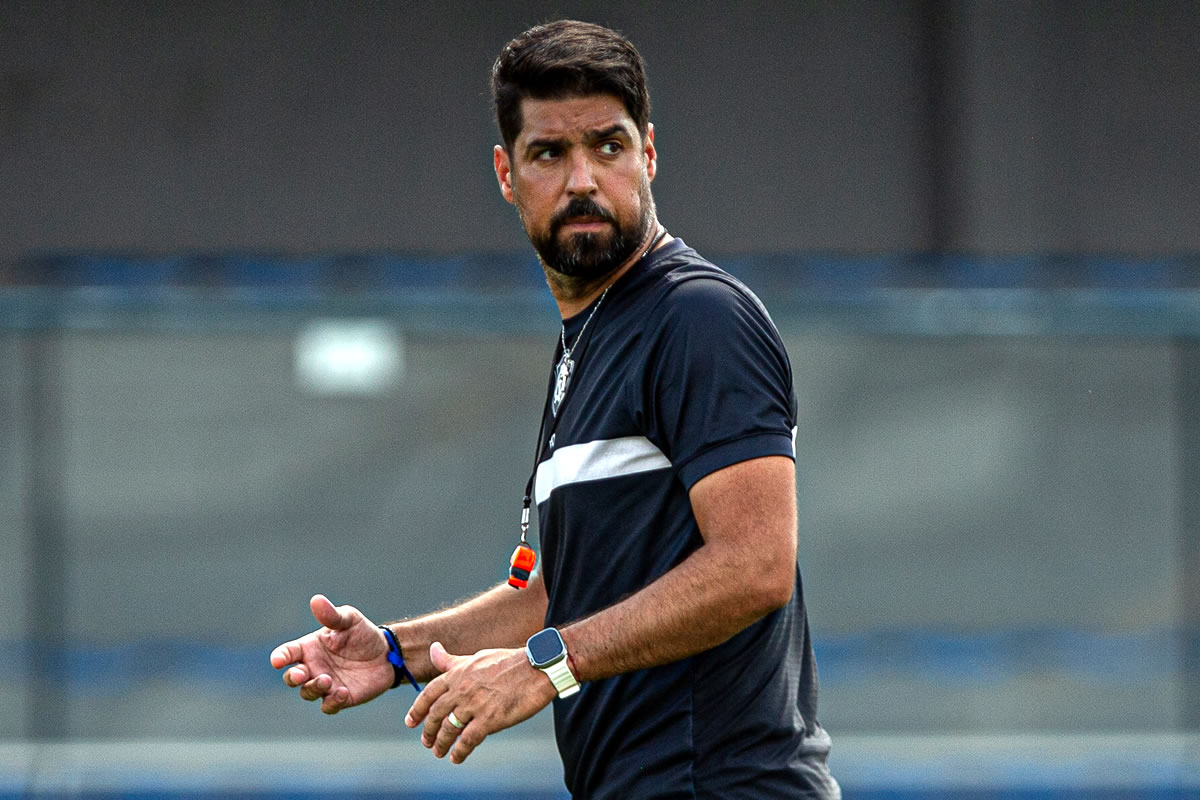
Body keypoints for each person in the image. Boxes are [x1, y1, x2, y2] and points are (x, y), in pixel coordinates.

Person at [271, 19, 840, 799]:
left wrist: (546, 666)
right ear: (506, 174)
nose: (582, 180)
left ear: (648, 155)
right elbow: (567, 594)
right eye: (549, 153)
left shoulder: (698, 318)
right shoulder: (591, 339)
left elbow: (755, 565)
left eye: (608, 146)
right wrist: (398, 652)